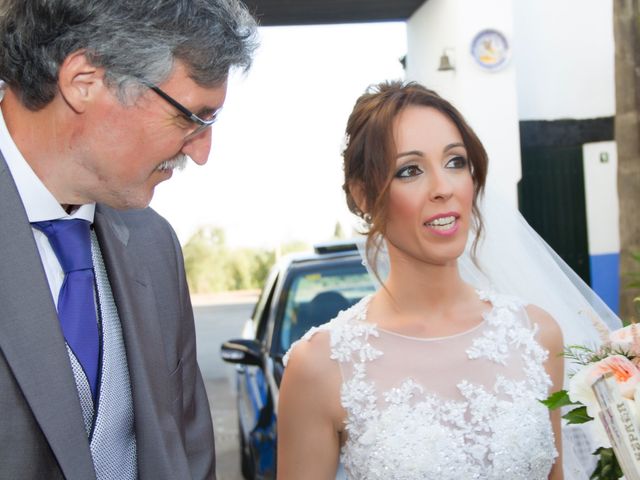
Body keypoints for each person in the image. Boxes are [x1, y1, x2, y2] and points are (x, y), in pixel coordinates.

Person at [277, 81, 608, 479]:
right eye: (410, 170)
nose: (443, 188)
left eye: (455, 162)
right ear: (364, 196)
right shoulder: (321, 365)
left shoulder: (536, 334)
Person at [0, 1, 257, 479]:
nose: (201, 152)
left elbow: (188, 453)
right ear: (84, 81)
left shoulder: (155, 245)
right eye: (192, 118)